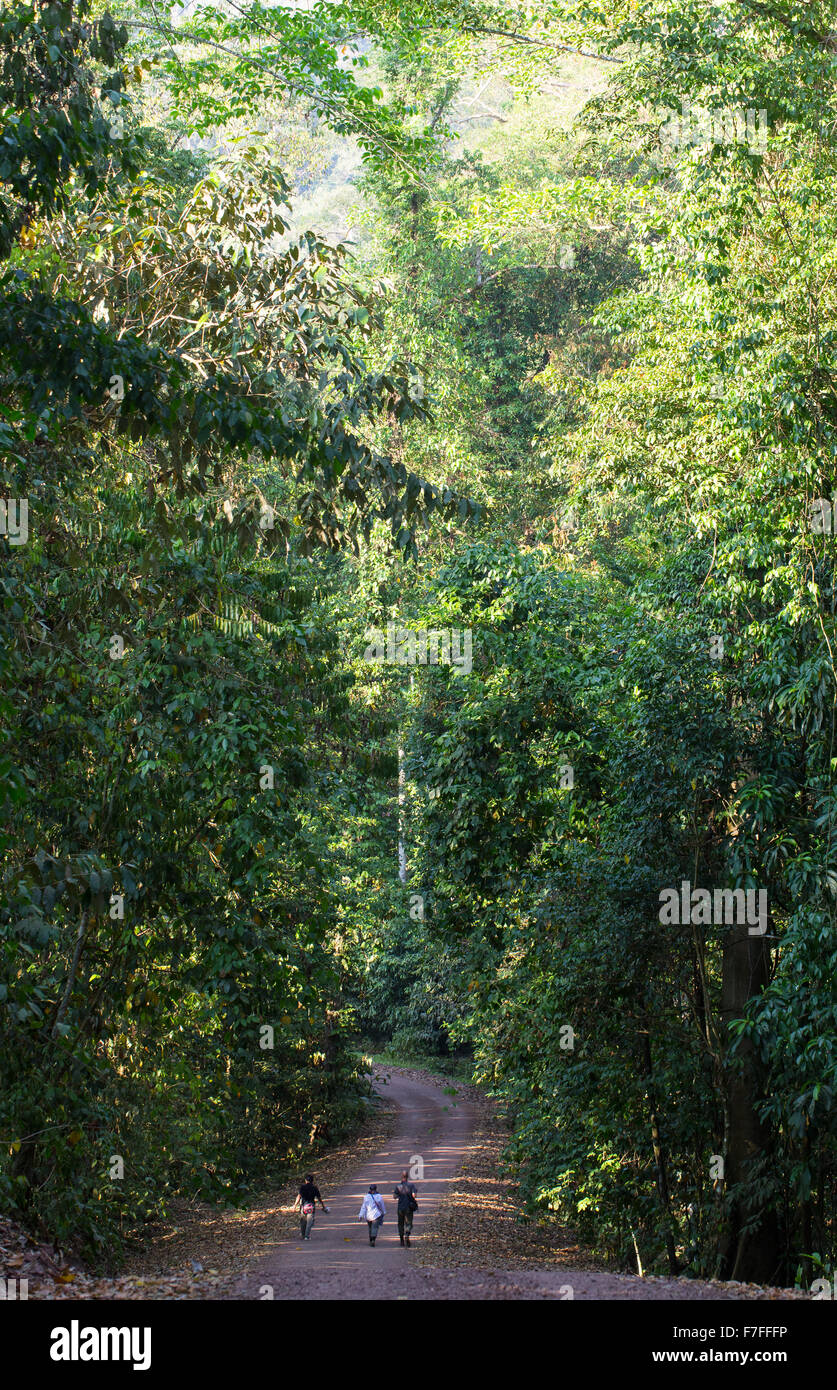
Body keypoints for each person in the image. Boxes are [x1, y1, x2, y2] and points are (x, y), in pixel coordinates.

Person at [297, 1174, 327, 1240]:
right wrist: (323, 1206)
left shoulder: (302, 1187)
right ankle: (307, 1236)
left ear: (305, 1180)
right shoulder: (314, 1188)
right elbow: (319, 1198)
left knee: (303, 1221)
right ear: (312, 1181)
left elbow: (299, 1196)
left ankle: (303, 1234)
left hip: (304, 1206)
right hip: (311, 1206)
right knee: (310, 1222)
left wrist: (295, 1205)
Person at [393, 1169, 418, 1247]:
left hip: (400, 1207)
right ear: (407, 1177)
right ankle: (407, 1234)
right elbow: (414, 1195)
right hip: (409, 1207)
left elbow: (394, 1197)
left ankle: (401, 1240)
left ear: (401, 1177)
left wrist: (400, 1194)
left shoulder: (398, 1186)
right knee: (409, 1223)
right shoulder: (411, 1185)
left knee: (400, 1224)